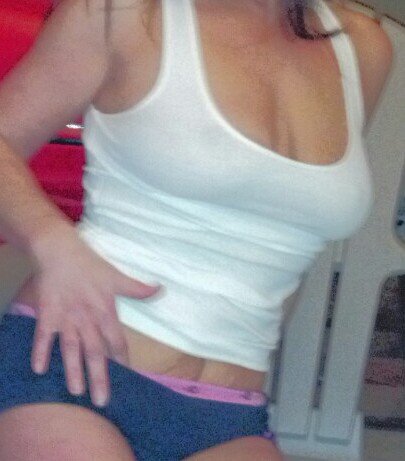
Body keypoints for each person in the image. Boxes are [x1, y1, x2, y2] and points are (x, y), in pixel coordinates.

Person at [0, 0, 393, 460]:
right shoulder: (123, 12)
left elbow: (285, 234)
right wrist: (52, 243)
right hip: (72, 366)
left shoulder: (363, 45)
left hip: (227, 410)